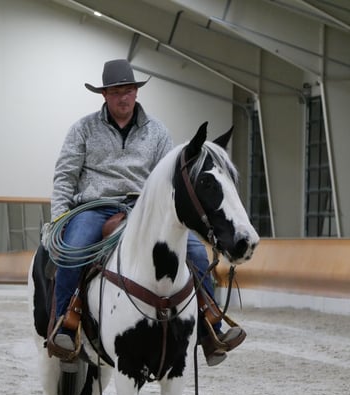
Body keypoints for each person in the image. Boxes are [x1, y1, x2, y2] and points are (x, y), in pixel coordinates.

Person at [47, 59, 245, 367]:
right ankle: (65, 326)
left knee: (195, 250)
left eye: (128, 90)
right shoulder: (83, 129)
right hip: (95, 207)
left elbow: (168, 180)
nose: (123, 97)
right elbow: (65, 177)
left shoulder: (157, 132)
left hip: (144, 210)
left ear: (136, 93)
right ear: (104, 95)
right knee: (73, 249)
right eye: (116, 92)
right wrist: (59, 218)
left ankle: (211, 326)